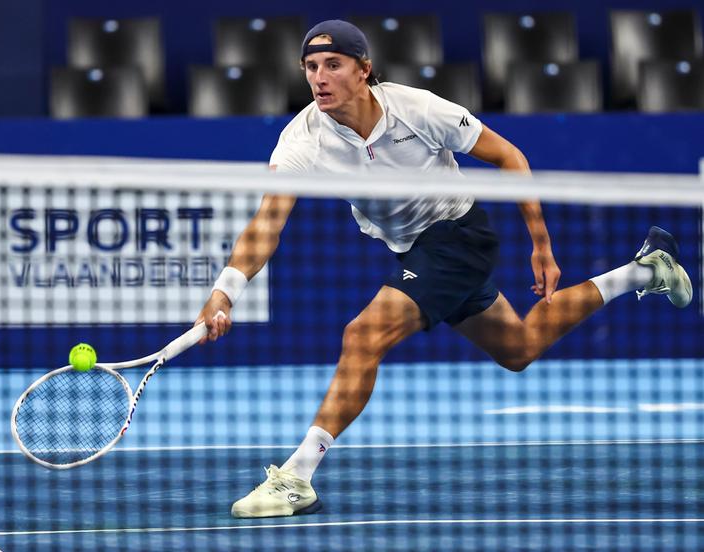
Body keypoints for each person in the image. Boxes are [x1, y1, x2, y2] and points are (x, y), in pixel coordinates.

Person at [196, 20, 693, 518]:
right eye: (310, 67)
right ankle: (646, 270)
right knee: (519, 347)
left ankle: (298, 477)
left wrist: (541, 245)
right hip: (415, 252)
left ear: (363, 70)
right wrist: (225, 291)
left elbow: (510, 157)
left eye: (333, 65)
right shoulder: (302, 140)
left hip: (459, 233)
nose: (319, 78)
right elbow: (266, 226)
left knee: (362, 336)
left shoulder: (417, 108)